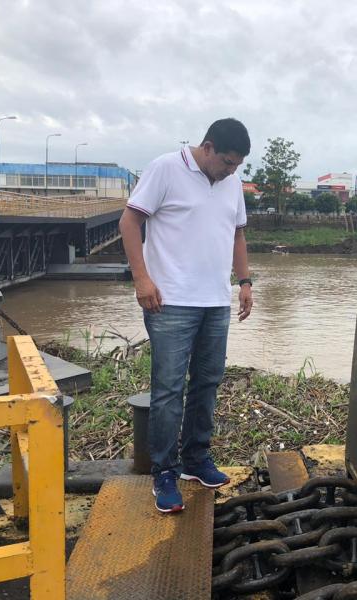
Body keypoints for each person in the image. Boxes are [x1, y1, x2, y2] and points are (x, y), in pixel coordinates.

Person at [119, 118, 253, 513]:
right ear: (208, 148)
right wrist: (141, 279)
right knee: (168, 391)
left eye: (237, 165)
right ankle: (165, 470)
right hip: (171, 301)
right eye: (228, 162)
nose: (231, 171)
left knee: (207, 383)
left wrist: (244, 282)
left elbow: (237, 233)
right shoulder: (165, 169)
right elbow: (130, 220)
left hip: (216, 301)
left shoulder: (230, 182)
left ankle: (196, 459)